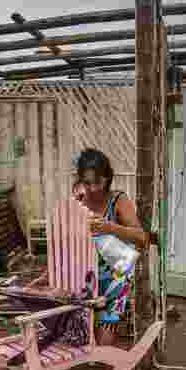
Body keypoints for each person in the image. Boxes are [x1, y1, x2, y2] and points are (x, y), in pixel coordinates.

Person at [72, 148, 149, 347]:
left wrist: (109, 227)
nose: (93, 188)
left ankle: (105, 369)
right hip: (84, 280)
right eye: (87, 183)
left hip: (115, 281)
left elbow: (141, 238)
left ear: (107, 178)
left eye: (98, 182)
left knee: (105, 335)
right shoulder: (79, 202)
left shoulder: (118, 201)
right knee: (81, 335)